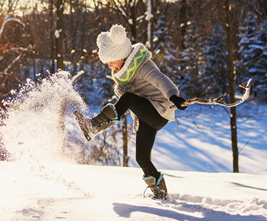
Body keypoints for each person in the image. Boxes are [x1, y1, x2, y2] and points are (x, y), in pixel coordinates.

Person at [74, 24, 188, 199]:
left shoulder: (143, 66)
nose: (110, 66)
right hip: (147, 118)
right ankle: (160, 193)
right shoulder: (129, 73)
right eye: (107, 63)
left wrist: (174, 97)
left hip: (159, 110)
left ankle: (94, 126)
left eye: (112, 61)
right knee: (142, 158)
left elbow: (160, 80)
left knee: (128, 98)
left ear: (121, 55)